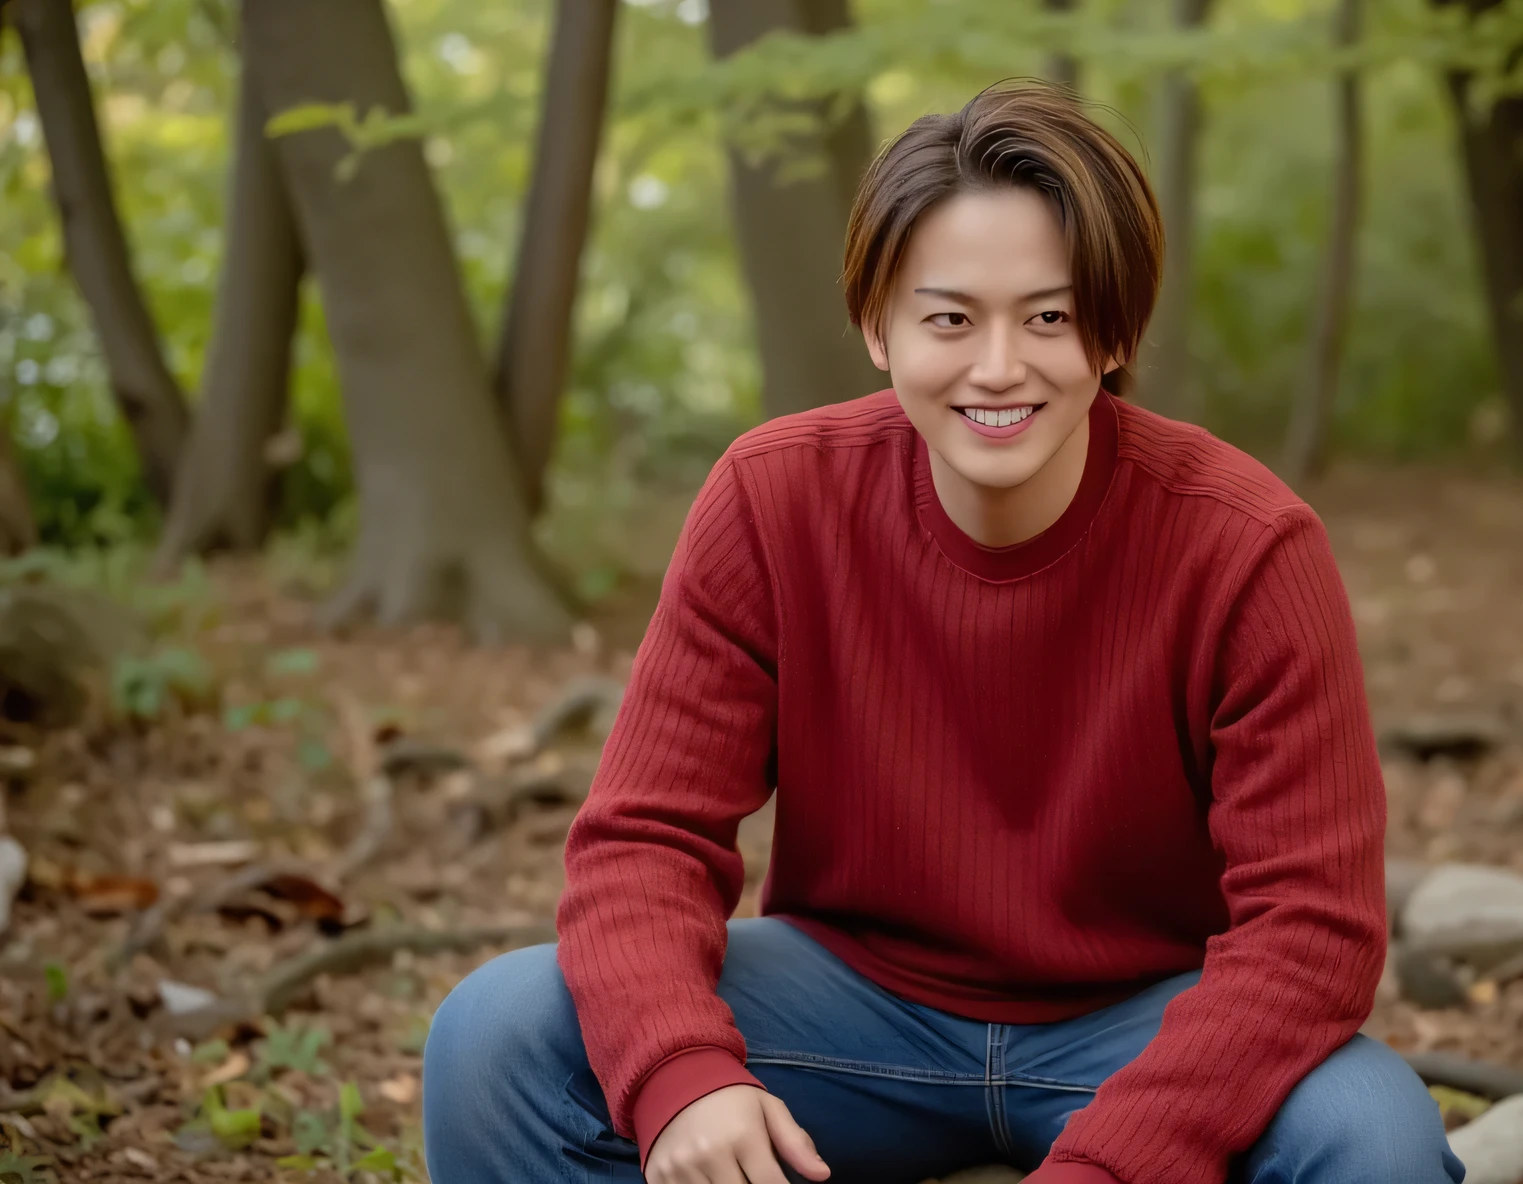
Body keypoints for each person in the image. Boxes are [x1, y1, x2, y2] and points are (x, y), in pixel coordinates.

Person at [421, 82, 1464, 1184]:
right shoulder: (774, 498)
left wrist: (1111, 1163)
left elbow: (1310, 930)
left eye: (1049, 316)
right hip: (846, 1014)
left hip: (1149, 1024)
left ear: (1114, 330)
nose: (999, 366)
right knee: (496, 1031)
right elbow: (643, 840)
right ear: (877, 326)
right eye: (950, 317)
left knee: (1374, 1139)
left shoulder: (1246, 546)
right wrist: (685, 1070)